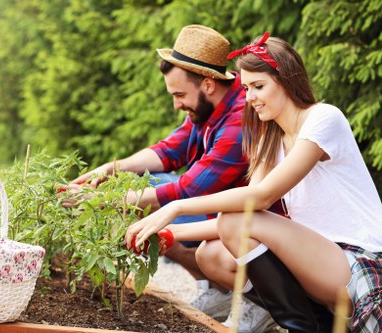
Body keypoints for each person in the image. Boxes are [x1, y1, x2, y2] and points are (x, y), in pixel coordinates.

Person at [125, 32, 382, 333]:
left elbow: (259, 198)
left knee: (235, 221)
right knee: (210, 255)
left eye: (259, 86)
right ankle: (318, 325)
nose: (250, 98)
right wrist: (167, 233)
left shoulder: (323, 119)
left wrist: (175, 208)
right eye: (246, 88)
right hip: (319, 262)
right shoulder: (268, 140)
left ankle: (302, 328)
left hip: (358, 260)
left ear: (287, 80)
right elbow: (240, 216)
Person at [62, 25, 276, 331]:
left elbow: (189, 189)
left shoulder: (240, 120)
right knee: (142, 191)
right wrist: (109, 170)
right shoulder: (206, 111)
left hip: (255, 224)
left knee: (149, 208)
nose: (176, 104)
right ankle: (217, 291)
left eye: (179, 94)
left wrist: (110, 201)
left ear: (207, 85)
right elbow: (167, 152)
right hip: (225, 216)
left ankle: (260, 301)